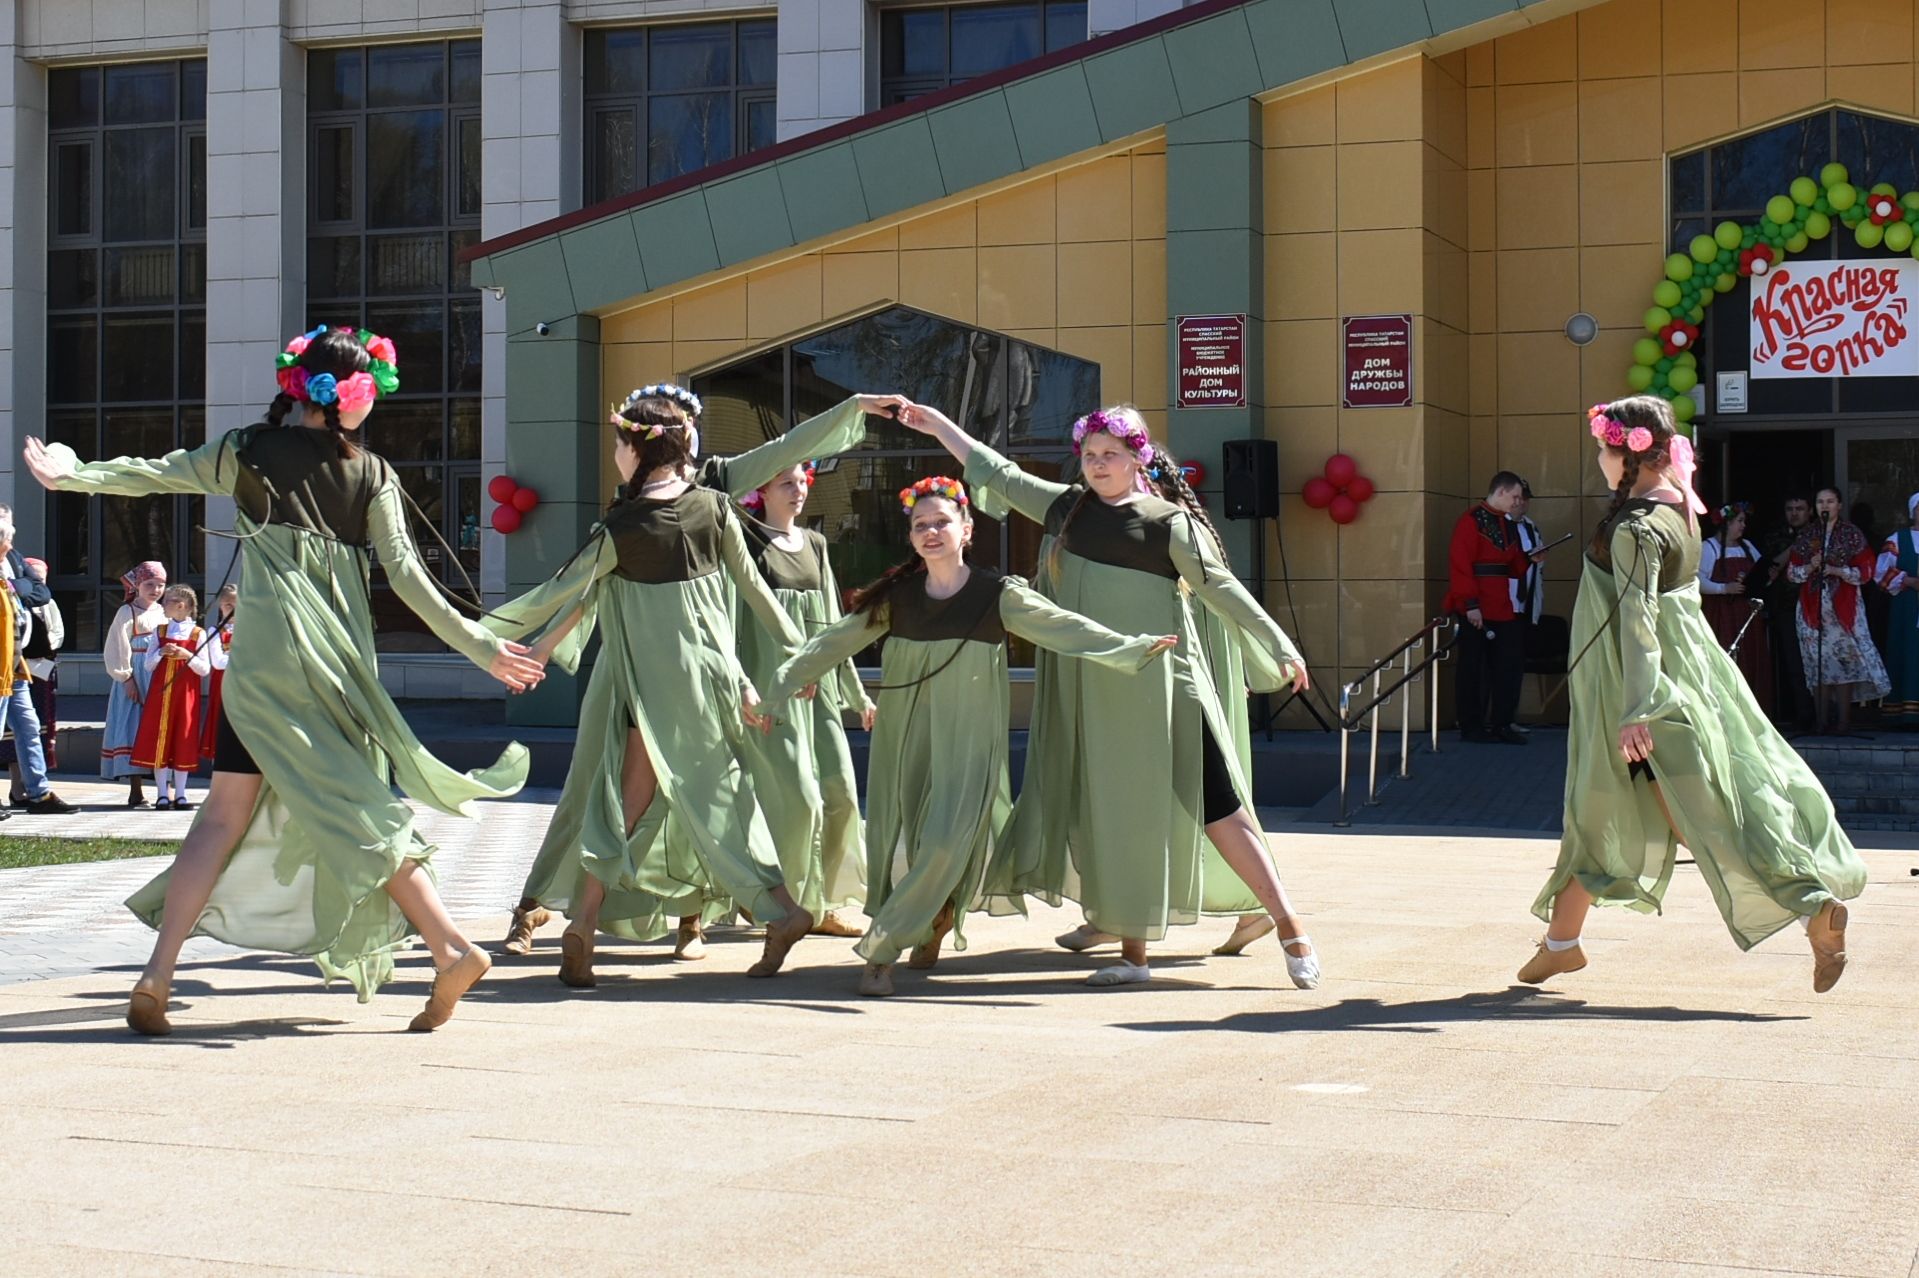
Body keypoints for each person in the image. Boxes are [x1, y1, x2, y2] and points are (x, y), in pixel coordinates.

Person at [24, 324, 545, 1035]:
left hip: (263, 670)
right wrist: (483, 648)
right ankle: (450, 946)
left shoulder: (246, 452)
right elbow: (415, 585)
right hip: (335, 675)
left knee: (222, 816)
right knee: (362, 810)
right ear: (352, 398)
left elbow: (154, 471)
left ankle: (159, 969)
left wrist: (74, 470)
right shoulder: (374, 474)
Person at [482, 386, 909, 988]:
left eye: (619, 442)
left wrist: (484, 638)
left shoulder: (630, 520)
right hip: (706, 680)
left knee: (623, 803)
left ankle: (593, 918)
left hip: (642, 683)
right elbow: (757, 597)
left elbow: (563, 589)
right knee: (720, 802)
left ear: (641, 446)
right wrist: (797, 663)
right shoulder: (710, 506)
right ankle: (777, 909)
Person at [902, 403, 1320, 990]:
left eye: (1111, 456)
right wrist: (939, 425)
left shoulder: (1167, 522)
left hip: (1166, 689)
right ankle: (1134, 957)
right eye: (1091, 456)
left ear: (1137, 459)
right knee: (1117, 815)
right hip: (1096, 694)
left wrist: (1280, 647)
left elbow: (1222, 589)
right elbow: (995, 471)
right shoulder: (1065, 511)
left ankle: (1289, 924)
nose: (1099, 465)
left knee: (1220, 808)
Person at [763, 476, 1177, 996]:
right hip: (907, 734)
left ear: (966, 529)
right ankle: (938, 917)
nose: (931, 532)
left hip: (969, 738)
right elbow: (833, 641)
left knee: (943, 843)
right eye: (920, 525)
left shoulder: (996, 594)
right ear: (911, 537)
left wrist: (1129, 647)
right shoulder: (898, 597)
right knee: (910, 840)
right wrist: (779, 686)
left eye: (941, 522)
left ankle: (880, 951)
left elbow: (1064, 627)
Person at [1520, 398, 1862, 995]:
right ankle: (1561, 943)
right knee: (1610, 807)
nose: (1599, 460)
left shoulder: (1635, 527)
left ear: (1624, 452)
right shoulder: (1677, 505)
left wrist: (1637, 709)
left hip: (1640, 688)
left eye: (1603, 449)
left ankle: (1811, 908)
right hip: (1688, 675)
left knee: (1701, 815)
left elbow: (1636, 618)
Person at [730, 460, 873, 945]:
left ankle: (824, 903)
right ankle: (786, 905)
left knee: (841, 797)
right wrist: (746, 686)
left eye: (802, 482)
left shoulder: (816, 544)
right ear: (762, 492)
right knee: (798, 803)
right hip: (776, 690)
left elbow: (834, 624)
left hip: (822, 690)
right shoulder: (747, 546)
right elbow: (734, 624)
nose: (798, 491)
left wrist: (855, 692)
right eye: (786, 483)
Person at [1444, 472, 1542, 744]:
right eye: (1514, 497)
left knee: (1508, 665)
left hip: (1502, 604)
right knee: (1472, 668)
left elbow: (1511, 566)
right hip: (1476, 606)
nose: (1517, 502)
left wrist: (1530, 559)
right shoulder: (1470, 521)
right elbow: (1461, 565)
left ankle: (1502, 722)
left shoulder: (1507, 524)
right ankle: (1471, 726)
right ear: (1500, 492)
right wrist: (1470, 605)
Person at [1788, 486, 1890, 734]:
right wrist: (1810, 567)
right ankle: (1821, 721)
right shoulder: (1807, 535)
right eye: (1821, 501)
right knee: (1817, 665)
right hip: (1812, 612)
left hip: (1843, 610)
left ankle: (1844, 721)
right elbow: (1792, 573)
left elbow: (1866, 573)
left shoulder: (1851, 535)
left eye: (1830, 501)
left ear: (1839, 505)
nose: (1825, 505)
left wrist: (1837, 571)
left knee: (1844, 664)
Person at [132, 584, 211, 810]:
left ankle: (182, 794)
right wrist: (160, 653)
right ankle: (162, 794)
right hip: (162, 694)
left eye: (167, 601)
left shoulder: (198, 633)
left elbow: (204, 669)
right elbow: (148, 665)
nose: (163, 605)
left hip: (186, 696)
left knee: (182, 739)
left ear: (181, 606)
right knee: (160, 740)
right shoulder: (160, 631)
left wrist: (186, 654)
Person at [1697, 502, 1773, 717]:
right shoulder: (1709, 547)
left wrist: (1758, 579)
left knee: (1751, 658)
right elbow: (1697, 581)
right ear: (1726, 523)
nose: (1743, 526)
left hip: (1747, 615)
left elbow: (1761, 572)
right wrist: (1724, 588)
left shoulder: (1747, 546)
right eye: (1739, 521)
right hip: (1722, 614)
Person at [101, 561, 167, 807]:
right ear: (138, 585)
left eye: (160, 585)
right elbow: (117, 648)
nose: (156, 589)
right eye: (150, 584)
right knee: (132, 726)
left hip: (158, 675)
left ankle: (163, 788)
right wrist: (126, 677)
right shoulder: (127, 613)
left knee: (155, 727)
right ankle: (136, 790)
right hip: (137, 676)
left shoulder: (163, 612)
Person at [2, 556, 65, 805]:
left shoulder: (13, 559)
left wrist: (17, 587)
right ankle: (18, 790)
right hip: (3, 663)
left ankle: (39, 794)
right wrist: (21, 587)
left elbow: (41, 593)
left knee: (29, 727)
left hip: (17, 666)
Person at [1763, 495, 1814, 728]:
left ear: (1810, 511)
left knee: (1819, 660)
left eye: (1800, 509)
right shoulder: (1776, 535)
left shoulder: (1820, 533)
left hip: (1817, 605)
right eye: (1790, 509)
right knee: (1794, 661)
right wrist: (1797, 546)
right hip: (1787, 605)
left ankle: (1826, 714)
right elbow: (1772, 564)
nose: (1794, 513)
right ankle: (1803, 714)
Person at [1873, 492, 1919, 728]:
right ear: (1913, 512)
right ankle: (1907, 713)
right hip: (1907, 607)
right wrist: (1909, 581)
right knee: (1907, 651)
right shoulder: (1898, 539)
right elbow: (1880, 573)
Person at [199, 584, 237, 763]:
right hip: (223, 683)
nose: (233, 609)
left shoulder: (251, 631)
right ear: (221, 606)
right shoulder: (214, 632)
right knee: (221, 723)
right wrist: (240, 659)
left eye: (237, 604)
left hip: (244, 683)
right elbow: (218, 662)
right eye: (228, 604)